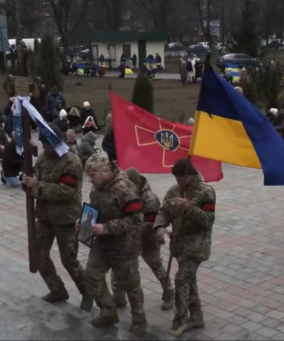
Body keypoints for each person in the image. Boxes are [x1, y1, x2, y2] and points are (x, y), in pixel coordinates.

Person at [21, 123, 88, 305]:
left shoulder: (71, 161)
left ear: (55, 142)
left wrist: (38, 186)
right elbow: (35, 178)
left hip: (65, 219)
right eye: (42, 144)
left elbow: (66, 191)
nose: (44, 148)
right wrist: (27, 182)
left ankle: (87, 293)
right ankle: (57, 290)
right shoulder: (43, 158)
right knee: (38, 254)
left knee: (69, 260)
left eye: (46, 144)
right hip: (44, 216)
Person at [83, 154, 146, 335]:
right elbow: (94, 211)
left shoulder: (125, 189)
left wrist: (108, 227)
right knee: (92, 274)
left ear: (105, 171)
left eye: (92, 175)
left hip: (125, 245)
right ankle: (108, 311)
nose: (90, 179)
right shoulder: (96, 189)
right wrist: (86, 223)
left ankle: (139, 320)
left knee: (130, 284)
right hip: (103, 242)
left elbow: (136, 219)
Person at [153, 158, 216, 337]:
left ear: (190, 174)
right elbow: (164, 211)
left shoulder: (206, 192)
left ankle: (180, 319)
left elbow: (208, 221)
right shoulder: (174, 191)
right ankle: (197, 317)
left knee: (181, 279)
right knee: (190, 281)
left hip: (197, 246)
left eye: (181, 178)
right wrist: (159, 227)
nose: (178, 182)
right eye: (176, 178)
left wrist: (189, 208)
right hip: (179, 245)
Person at [111, 168, 174, 311]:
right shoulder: (125, 194)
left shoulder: (150, 199)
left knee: (156, 266)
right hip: (128, 239)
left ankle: (169, 292)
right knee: (119, 268)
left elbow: (150, 224)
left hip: (147, 240)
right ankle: (118, 297)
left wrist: (129, 226)